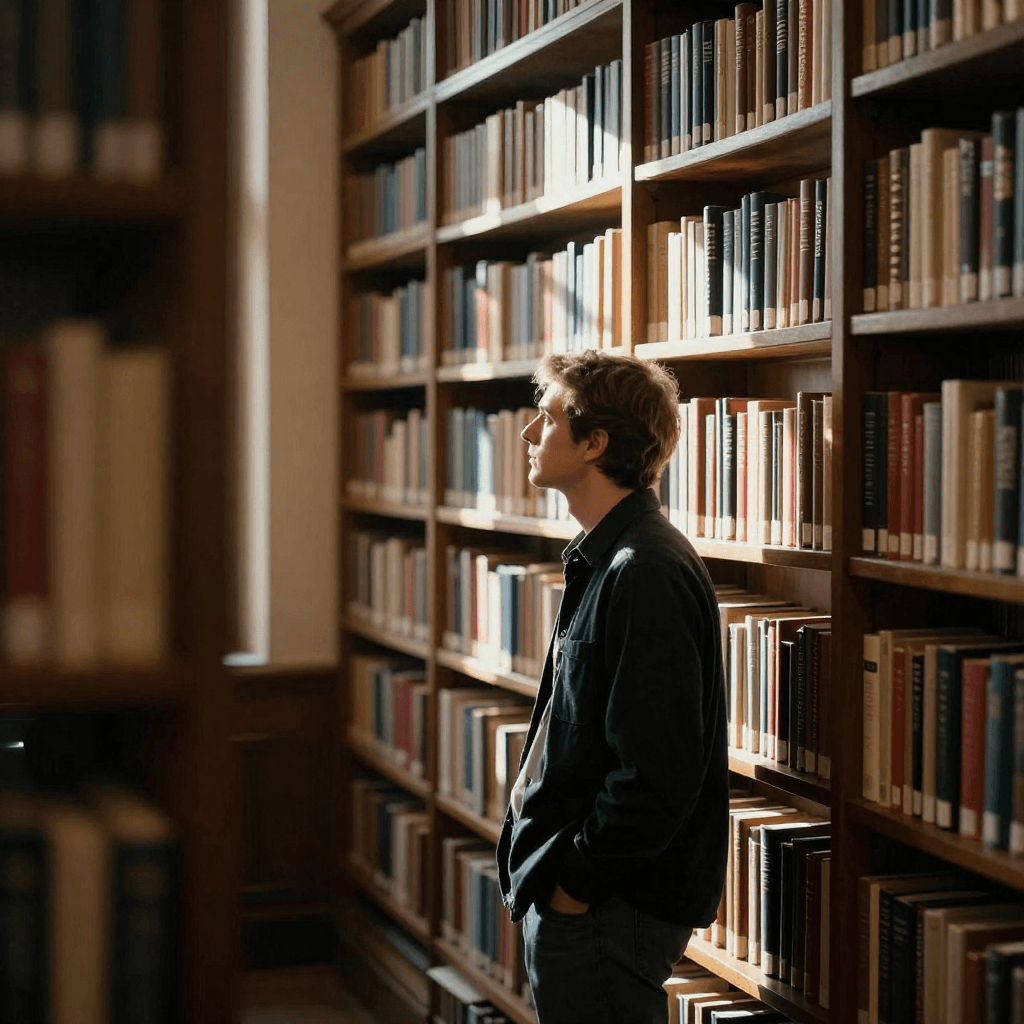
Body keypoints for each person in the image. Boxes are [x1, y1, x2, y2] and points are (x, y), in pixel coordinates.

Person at [496, 349, 729, 1024]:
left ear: (595, 442)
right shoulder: (611, 557)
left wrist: (574, 885)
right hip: (592, 901)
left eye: (546, 420)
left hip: (606, 908)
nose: (529, 435)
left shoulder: (641, 570)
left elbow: (657, 775)